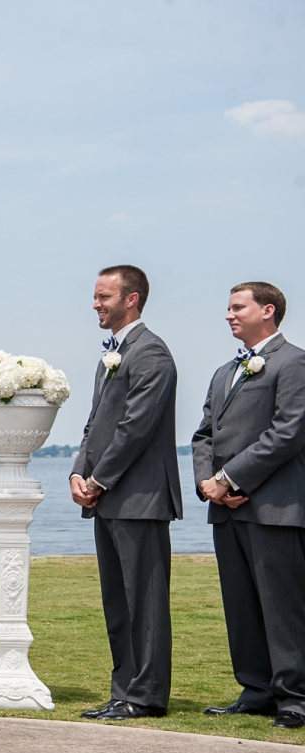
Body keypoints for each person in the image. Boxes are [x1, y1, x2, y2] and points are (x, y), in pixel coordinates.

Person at [192, 282, 305, 729]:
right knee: (240, 606)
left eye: (238, 307)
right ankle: (256, 691)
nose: (229, 315)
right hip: (226, 510)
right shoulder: (224, 372)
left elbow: (288, 433)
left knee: (283, 608)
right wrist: (207, 484)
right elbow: (204, 434)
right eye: (228, 308)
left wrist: (228, 478)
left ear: (268, 310)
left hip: (276, 508)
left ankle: (295, 698)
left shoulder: (294, 362)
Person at [71, 265, 182, 721]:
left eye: (104, 297)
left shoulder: (150, 352)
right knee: (117, 603)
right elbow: (95, 423)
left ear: (131, 299)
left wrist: (99, 480)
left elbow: (137, 427)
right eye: (96, 296)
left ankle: (147, 695)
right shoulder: (113, 355)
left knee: (145, 604)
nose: (95, 304)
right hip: (110, 498)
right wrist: (78, 472)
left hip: (140, 498)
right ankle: (124, 692)